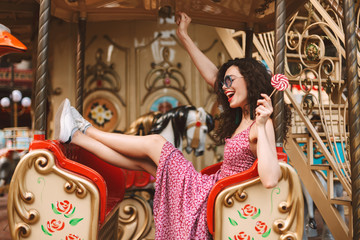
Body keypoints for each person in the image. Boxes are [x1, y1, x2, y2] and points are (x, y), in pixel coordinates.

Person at [54, 12, 291, 240]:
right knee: (143, 162)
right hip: (212, 190)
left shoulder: (262, 123)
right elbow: (212, 77)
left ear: (249, 80)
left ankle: (85, 128)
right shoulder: (243, 116)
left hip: (211, 196)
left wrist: (262, 123)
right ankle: (76, 137)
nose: (224, 87)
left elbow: (271, 179)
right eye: (224, 81)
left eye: (230, 81)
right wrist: (184, 36)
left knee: (156, 142)